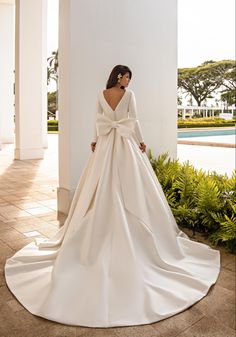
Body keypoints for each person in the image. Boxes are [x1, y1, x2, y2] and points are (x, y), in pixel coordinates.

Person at [4, 64, 220, 328]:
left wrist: (96, 139)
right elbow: (134, 121)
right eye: (127, 76)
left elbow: (97, 119)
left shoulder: (101, 93)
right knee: (128, 185)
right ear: (120, 76)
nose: (128, 81)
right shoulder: (128, 95)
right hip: (124, 145)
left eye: (129, 78)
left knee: (100, 184)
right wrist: (140, 141)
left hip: (106, 144)